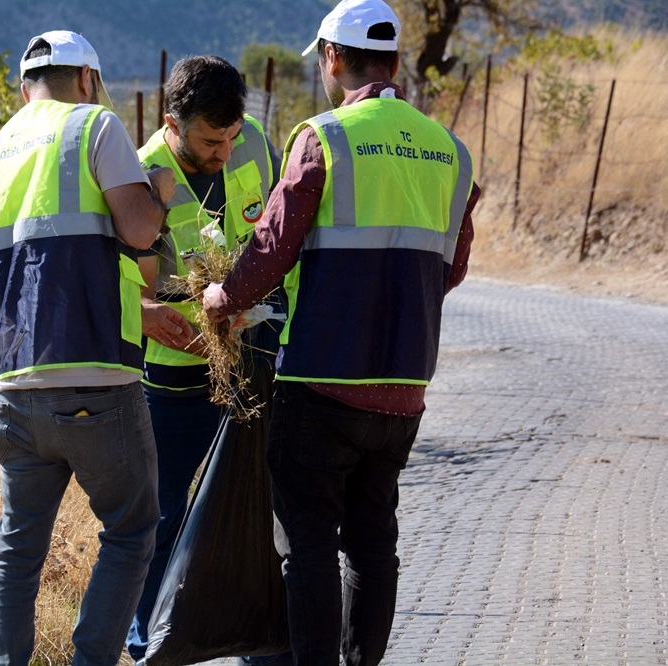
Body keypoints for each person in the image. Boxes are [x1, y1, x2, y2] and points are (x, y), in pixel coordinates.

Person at [202, 1, 481, 663]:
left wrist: (222, 297)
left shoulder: (323, 137)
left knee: (307, 545)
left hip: (321, 383)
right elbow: (453, 267)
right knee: (372, 544)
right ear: (392, 60)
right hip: (405, 386)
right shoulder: (450, 152)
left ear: (332, 56)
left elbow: (270, 250)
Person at [0, 30, 188, 666]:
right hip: (96, 382)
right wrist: (160, 199)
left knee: (17, 546)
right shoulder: (94, 126)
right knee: (133, 529)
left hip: (12, 390)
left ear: (23, 86)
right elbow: (139, 230)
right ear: (87, 79)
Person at [125, 55, 284, 663]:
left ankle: (257, 640)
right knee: (163, 514)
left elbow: (275, 239)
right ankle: (149, 642)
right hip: (173, 377)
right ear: (173, 123)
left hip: (253, 365)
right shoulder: (140, 176)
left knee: (256, 502)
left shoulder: (256, 148)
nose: (223, 152)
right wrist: (204, 343)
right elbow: (140, 298)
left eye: (231, 137)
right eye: (209, 141)